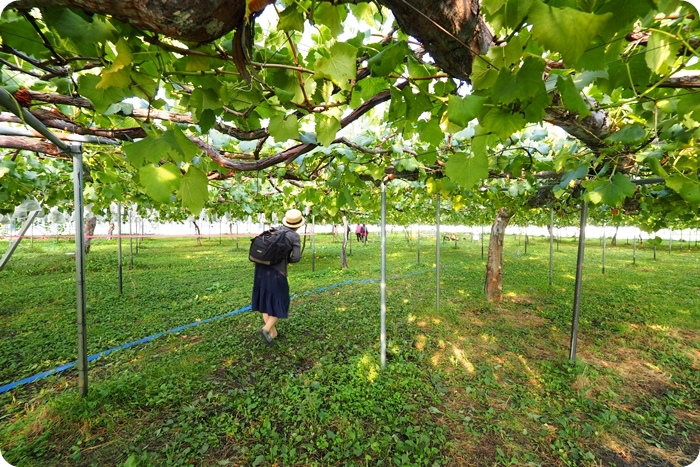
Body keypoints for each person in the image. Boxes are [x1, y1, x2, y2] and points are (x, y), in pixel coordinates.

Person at [252, 209, 304, 343]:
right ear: (298, 225)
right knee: (282, 300)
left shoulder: (273, 229)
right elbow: (296, 257)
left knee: (265, 299)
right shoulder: (294, 236)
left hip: (261, 268)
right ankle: (266, 328)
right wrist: (286, 259)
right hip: (277, 272)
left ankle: (273, 332)